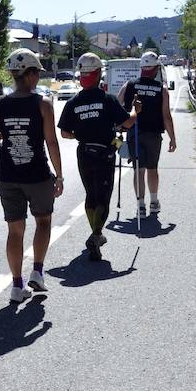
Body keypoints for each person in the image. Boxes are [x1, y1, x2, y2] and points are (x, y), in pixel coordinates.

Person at [0, 49, 63, 300]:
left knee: (15, 231)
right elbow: (51, 142)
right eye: (37, 72)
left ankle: (17, 286)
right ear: (28, 75)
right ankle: (37, 272)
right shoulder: (43, 104)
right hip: (37, 175)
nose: (38, 77)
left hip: (8, 177)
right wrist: (59, 176)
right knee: (43, 221)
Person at [60, 52, 140, 260]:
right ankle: (95, 235)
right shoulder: (108, 100)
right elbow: (128, 123)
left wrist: (85, 134)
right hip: (106, 151)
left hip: (84, 152)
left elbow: (65, 133)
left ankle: (96, 233)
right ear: (98, 75)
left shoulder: (73, 103)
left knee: (90, 194)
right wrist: (135, 110)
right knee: (103, 196)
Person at [117, 51, 176, 217]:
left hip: (134, 133)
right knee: (152, 168)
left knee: (138, 169)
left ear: (141, 68)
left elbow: (116, 105)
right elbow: (166, 116)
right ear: (156, 69)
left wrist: (121, 124)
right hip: (154, 134)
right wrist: (172, 138)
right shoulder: (161, 89)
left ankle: (140, 205)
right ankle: (154, 201)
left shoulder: (129, 85)